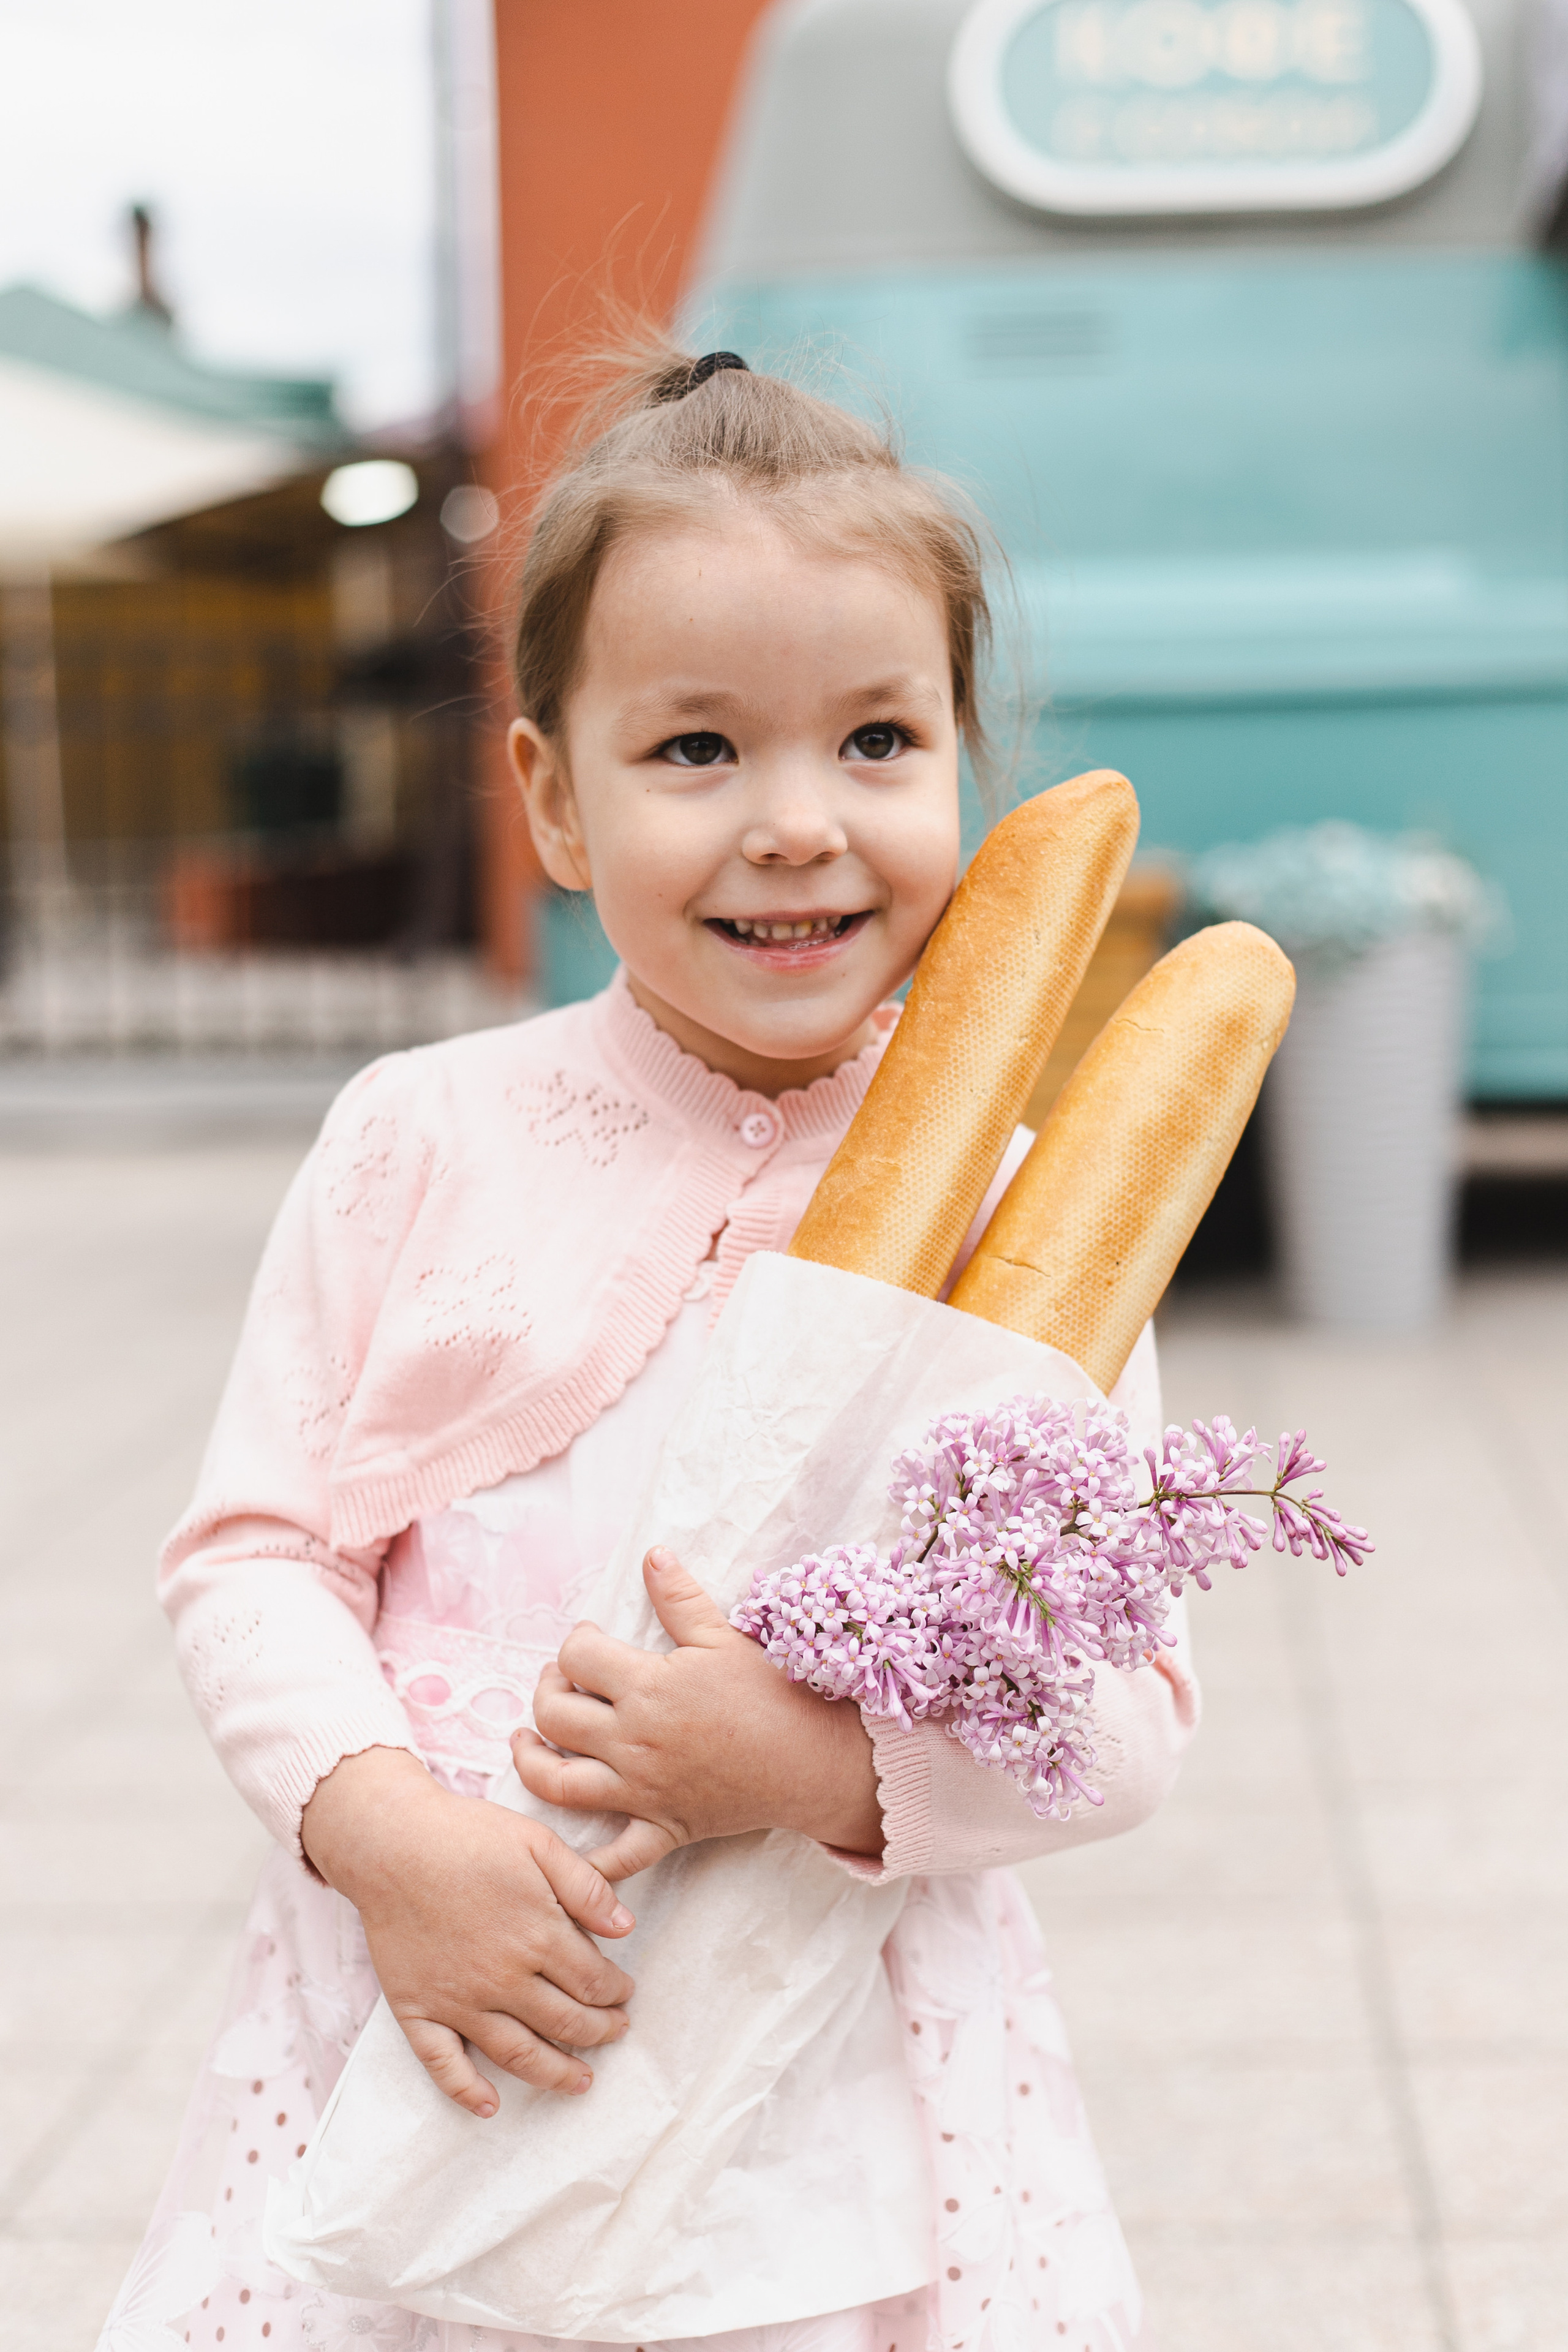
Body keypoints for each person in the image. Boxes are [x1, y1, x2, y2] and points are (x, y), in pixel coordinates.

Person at [99, 344, 1198, 2352]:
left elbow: (1130, 1715)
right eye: (698, 752)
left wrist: (821, 1763)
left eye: (876, 742)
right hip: (440, 2014)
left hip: (832, 2106)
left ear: (966, 762)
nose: (798, 826)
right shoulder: (419, 1139)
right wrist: (379, 1827)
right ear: (554, 797)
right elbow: (254, 1556)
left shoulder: (1035, 1232)